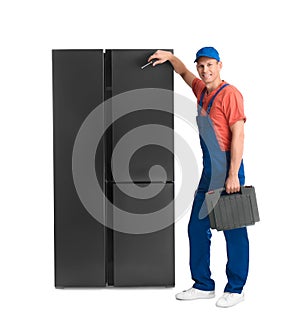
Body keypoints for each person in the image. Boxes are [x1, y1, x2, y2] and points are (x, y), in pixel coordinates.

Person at [148, 47, 249, 308]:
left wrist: (232, 175)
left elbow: (238, 135)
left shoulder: (231, 94)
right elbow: (183, 72)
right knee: (196, 227)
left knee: (233, 230)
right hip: (209, 170)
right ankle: (203, 285)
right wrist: (170, 58)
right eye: (201, 66)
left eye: (210, 65)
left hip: (228, 167)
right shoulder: (201, 90)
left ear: (220, 65)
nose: (205, 71)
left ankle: (236, 289)